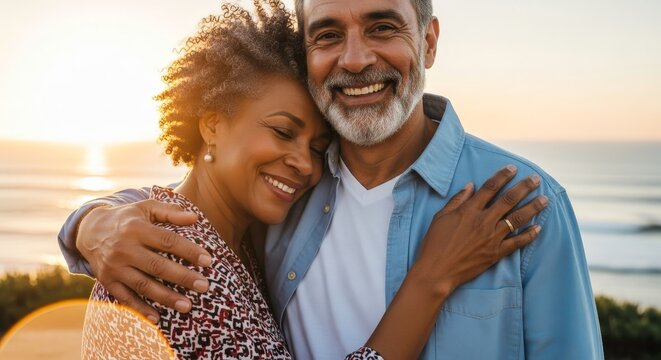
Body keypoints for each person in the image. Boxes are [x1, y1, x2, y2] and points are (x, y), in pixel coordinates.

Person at [59, 0, 603, 358]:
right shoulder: (218, 240)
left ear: (430, 41)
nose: (357, 57)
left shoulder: (524, 203)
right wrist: (93, 222)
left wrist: (88, 221)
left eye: (383, 26)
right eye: (327, 34)